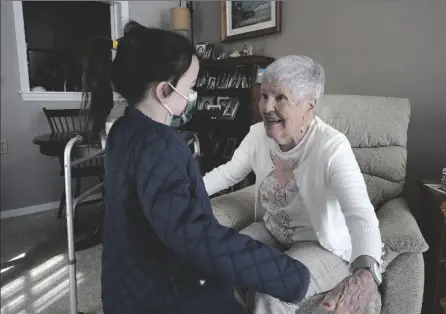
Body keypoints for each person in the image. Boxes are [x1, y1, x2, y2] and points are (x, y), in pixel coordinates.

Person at [80, 21, 310, 314]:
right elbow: (192, 235)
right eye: (190, 87)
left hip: (126, 286)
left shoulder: (122, 130)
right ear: (165, 90)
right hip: (165, 296)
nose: (193, 95)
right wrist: (287, 275)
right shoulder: (161, 144)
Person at [203, 55, 384, 314]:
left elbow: (360, 214)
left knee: (272, 290)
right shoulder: (257, 135)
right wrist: (183, 193)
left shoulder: (332, 147)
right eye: (264, 95)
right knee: (223, 262)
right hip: (273, 231)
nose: (266, 107)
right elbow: (227, 174)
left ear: (309, 106)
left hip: (322, 246)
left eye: (279, 98)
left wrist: (367, 272)